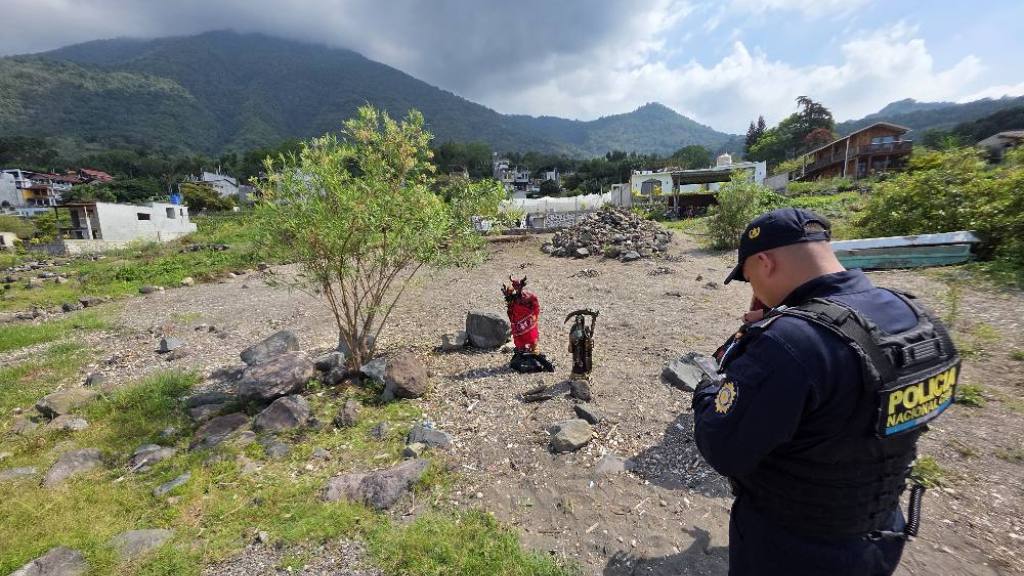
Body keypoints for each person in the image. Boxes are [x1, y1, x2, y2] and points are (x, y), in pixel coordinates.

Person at [692, 208, 960, 576]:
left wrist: (709, 388)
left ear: (765, 262)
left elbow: (721, 448)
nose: (753, 292)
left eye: (749, 278)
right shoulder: (913, 311)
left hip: (792, 547)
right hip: (883, 532)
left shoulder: (788, 344)